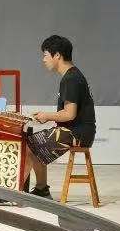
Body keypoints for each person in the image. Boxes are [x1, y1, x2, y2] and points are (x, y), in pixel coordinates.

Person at [23, 35, 96, 199]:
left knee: (29, 146)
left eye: (45, 55)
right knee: (33, 142)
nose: (43, 59)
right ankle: (41, 189)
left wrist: (46, 116)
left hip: (77, 134)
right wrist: (46, 116)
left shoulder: (71, 79)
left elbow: (70, 114)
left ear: (57, 55)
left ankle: (15, 193)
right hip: (79, 131)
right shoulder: (72, 76)